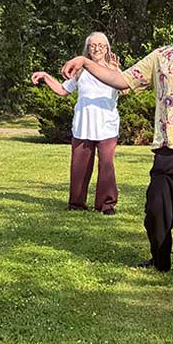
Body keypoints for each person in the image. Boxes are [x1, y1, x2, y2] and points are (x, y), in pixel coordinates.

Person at [60, 0, 173, 284]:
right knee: (156, 207)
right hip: (170, 143)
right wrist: (84, 61)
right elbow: (123, 80)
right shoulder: (162, 56)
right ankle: (160, 260)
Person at [32, 32, 123, 214]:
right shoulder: (80, 71)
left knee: (106, 165)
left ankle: (106, 205)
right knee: (79, 167)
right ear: (87, 49)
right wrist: (45, 76)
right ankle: (76, 204)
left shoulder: (113, 70)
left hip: (107, 126)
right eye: (93, 45)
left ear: (107, 49)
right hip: (83, 125)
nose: (97, 49)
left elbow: (126, 89)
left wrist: (116, 70)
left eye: (101, 46)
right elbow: (63, 90)